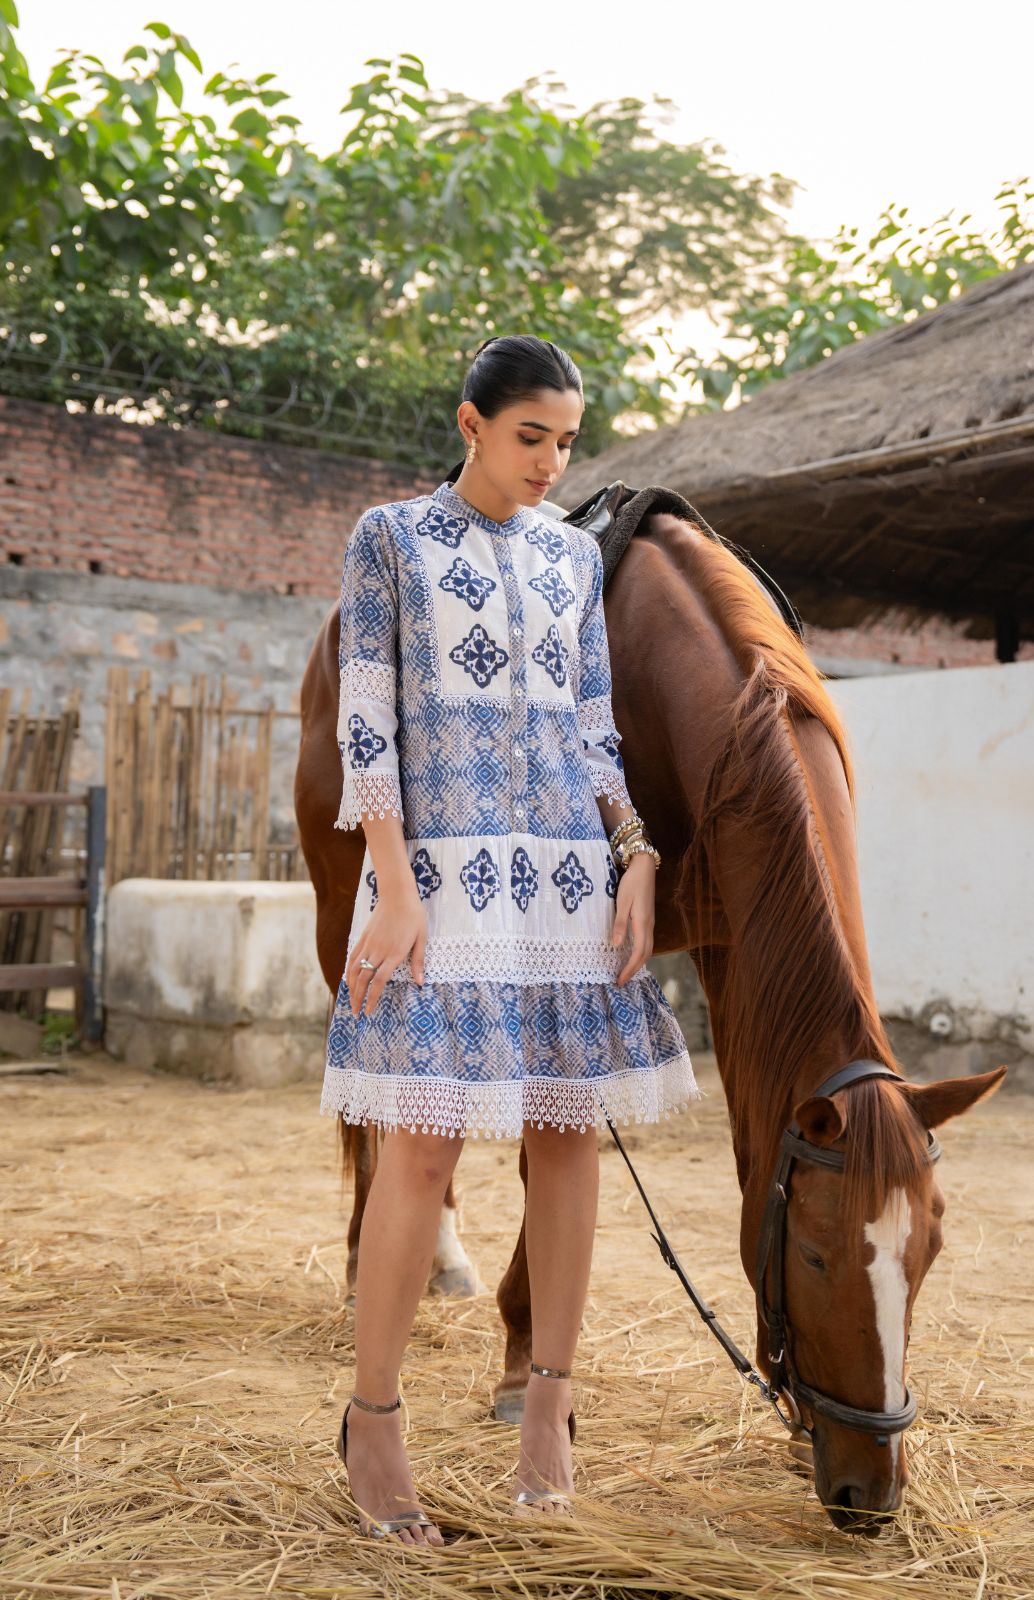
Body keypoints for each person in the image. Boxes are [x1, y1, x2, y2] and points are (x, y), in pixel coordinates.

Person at [320, 334, 699, 1545]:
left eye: (569, 442)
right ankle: (372, 1423)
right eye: (531, 435)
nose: (551, 462)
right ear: (472, 422)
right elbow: (365, 718)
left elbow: (596, 731)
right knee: (420, 1155)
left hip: (561, 883)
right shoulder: (389, 538)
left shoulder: (574, 559)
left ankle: (548, 1410)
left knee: (565, 1140)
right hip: (438, 878)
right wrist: (392, 883)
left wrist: (634, 849)